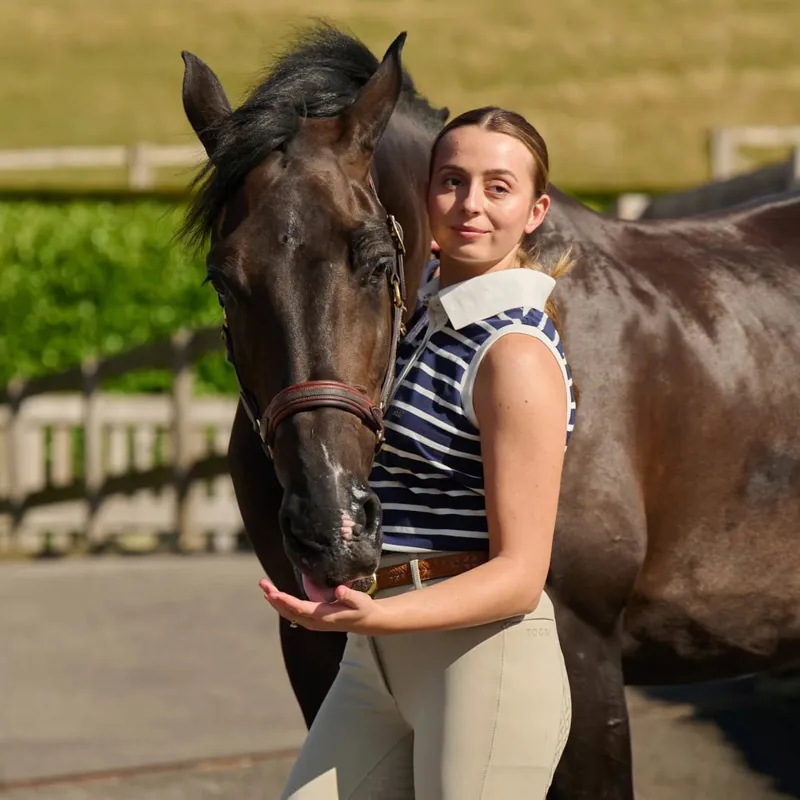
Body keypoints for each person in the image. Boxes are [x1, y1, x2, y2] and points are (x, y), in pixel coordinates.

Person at [260, 106, 577, 800]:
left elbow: (522, 575)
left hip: (481, 662)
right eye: (452, 182)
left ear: (535, 210)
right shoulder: (419, 316)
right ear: (423, 195)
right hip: (378, 658)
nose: (470, 205)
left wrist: (379, 615)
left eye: (499, 188)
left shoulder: (513, 354)